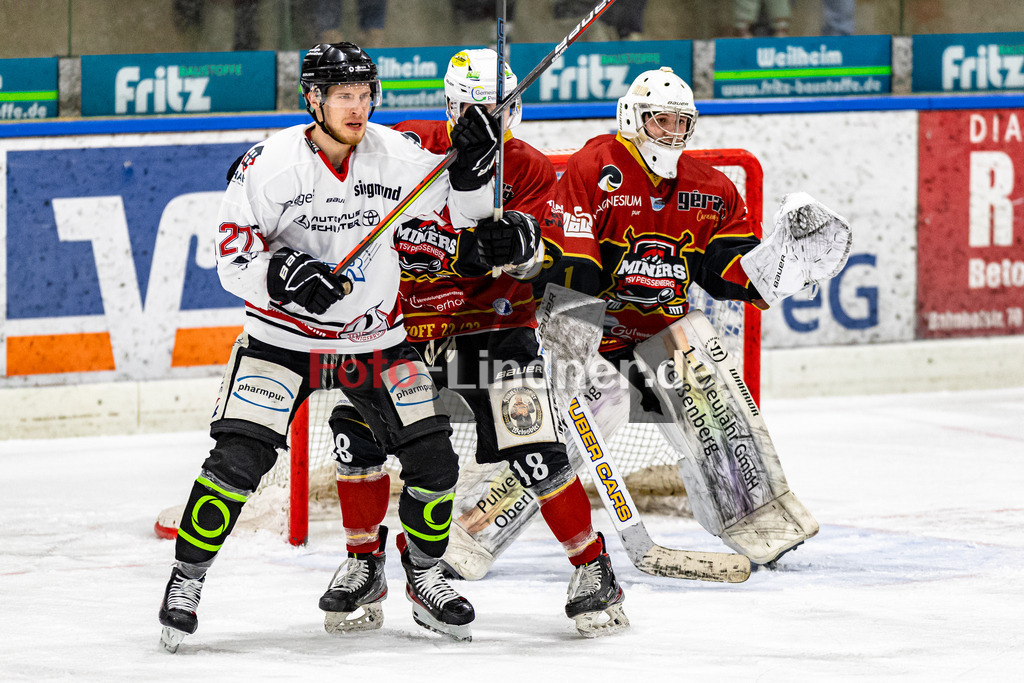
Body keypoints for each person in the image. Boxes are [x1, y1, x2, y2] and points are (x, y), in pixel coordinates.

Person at [157, 41, 506, 652]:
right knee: (237, 462)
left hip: (372, 338)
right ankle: (186, 581)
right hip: (281, 340)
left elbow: (462, 210)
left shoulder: (396, 155)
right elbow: (233, 261)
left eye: (366, 94)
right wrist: (283, 275)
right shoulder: (268, 165)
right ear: (312, 99)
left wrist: (476, 163)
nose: (358, 107)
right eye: (344, 95)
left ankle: (423, 576)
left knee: (434, 460)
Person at [323, 48, 629, 639]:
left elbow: (556, 257)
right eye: (478, 109)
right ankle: (365, 564)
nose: (494, 119)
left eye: (503, 108)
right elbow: (337, 176)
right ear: (451, 106)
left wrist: (523, 247)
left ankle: (593, 568)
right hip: (403, 328)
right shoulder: (407, 145)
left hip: (494, 324)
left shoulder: (529, 166)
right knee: (355, 431)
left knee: (536, 446)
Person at [546, 66, 847, 563]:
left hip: (662, 335)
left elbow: (728, 270)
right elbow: (571, 260)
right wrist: (567, 349)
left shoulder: (712, 188)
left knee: (712, 393)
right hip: (592, 336)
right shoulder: (594, 166)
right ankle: (479, 525)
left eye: (682, 122)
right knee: (559, 435)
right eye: (661, 120)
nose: (673, 132)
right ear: (632, 117)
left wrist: (782, 267)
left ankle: (754, 518)